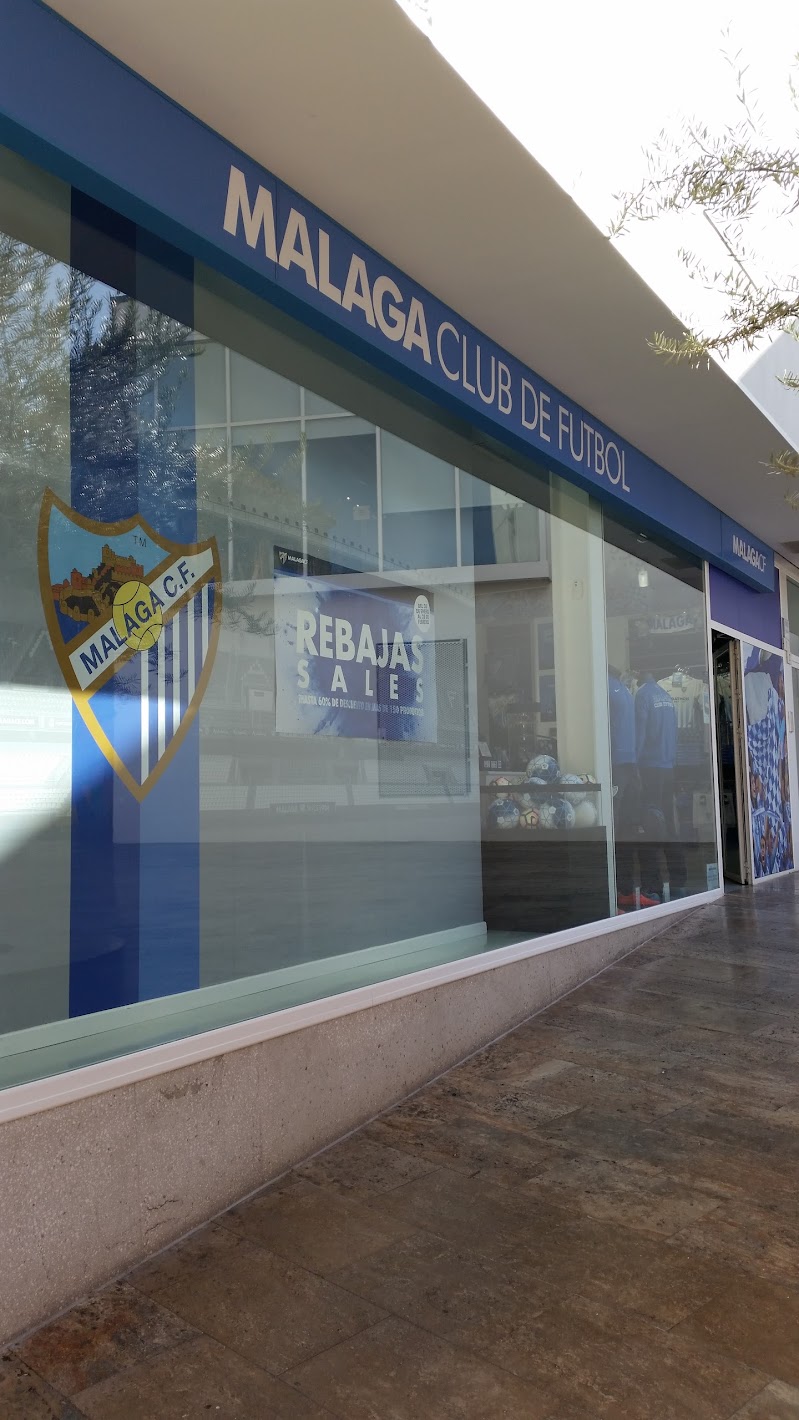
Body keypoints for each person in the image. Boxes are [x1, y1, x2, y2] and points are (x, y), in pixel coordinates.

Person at [635, 669, 687, 900]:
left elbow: (640, 735)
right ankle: (679, 881)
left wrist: (634, 766)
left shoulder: (643, 695)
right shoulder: (666, 696)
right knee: (670, 825)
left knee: (650, 827)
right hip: (668, 767)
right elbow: (674, 734)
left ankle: (652, 887)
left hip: (649, 767)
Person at [608, 665, 653, 910]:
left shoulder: (620, 687)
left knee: (627, 829)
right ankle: (616, 891)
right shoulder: (609, 686)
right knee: (618, 830)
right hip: (617, 765)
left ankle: (624, 890)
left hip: (625, 765)